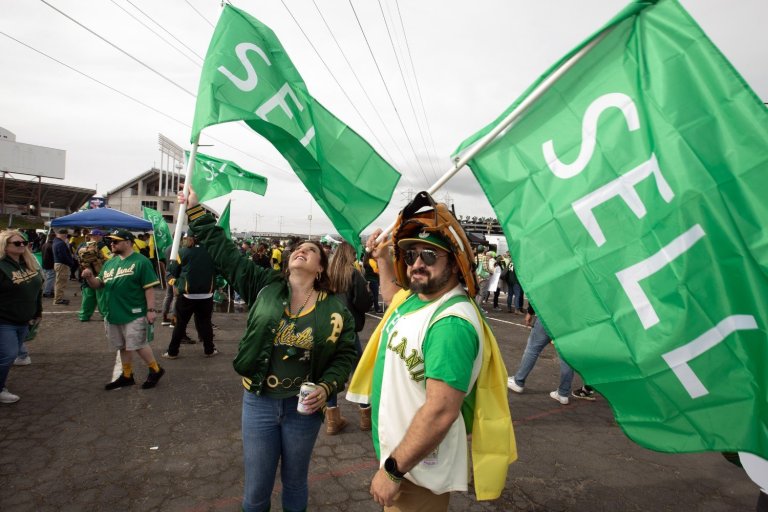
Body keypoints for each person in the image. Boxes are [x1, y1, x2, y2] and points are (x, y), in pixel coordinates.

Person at [181, 189, 357, 512]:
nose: (301, 251)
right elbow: (226, 253)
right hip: (259, 402)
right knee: (256, 490)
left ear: (320, 268)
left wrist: (326, 387)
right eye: (298, 249)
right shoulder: (262, 285)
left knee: (294, 484)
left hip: (302, 410)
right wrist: (195, 212)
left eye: (310, 250)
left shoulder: (334, 310)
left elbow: (346, 356)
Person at [348, 191, 516, 510]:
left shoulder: (450, 324)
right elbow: (392, 297)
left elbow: (441, 412)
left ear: (453, 263)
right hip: (404, 457)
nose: (417, 264)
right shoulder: (419, 298)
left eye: (428, 254)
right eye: (410, 255)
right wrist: (384, 260)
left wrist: (393, 471)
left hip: (415, 471)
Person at [81, 229, 165, 391]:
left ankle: (155, 369)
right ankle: (127, 375)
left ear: (128, 242)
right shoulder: (110, 262)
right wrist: (90, 277)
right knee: (122, 345)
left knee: (138, 343)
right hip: (113, 312)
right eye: (111, 241)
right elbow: (99, 284)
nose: (112, 244)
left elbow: (148, 288)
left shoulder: (141, 261)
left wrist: (151, 309)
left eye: (116, 241)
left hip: (134, 311)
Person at [325, 241, 373, 434]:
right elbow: (363, 302)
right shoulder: (353, 273)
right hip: (348, 329)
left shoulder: (327, 274)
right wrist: (367, 293)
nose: (355, 257)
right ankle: (365, 416)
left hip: (328, 329)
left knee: (331, 372)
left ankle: (331, 421)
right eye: (354, 254)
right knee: (359, 371)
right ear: (349, 254)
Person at [0, 230, 43, 404]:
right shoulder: (2, 266)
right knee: (9, 355)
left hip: (23, 320)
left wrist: (37, 312)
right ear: (5, 246)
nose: (22, 245)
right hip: (4, 320)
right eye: (17, 243)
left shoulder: (28, 263)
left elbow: (37, 291)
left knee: (11, 355)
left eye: (23, 242)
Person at [161, 234, 218, 359]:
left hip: (187, 295)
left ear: (190, 238)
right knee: (206, 323)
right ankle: (209, 350)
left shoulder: (182, 252)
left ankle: (172, 352)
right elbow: (218, 271)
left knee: (180, 324)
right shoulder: (212, 252)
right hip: (207, 295)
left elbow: (172, 272)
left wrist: (175, 283)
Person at [507, 307, 574, 404]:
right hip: (570, 319)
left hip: (548, 313)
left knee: (533, 348)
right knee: (567, 356)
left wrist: (530, 311)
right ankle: (563, 393)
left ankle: (518, 381)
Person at [76, 229, 111, 322]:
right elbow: (110, 258)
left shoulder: (81, 245)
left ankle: (84, 316)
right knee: (102, 297)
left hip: (86, 273)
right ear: (97, 236)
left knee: (87, 297)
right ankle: (105, 315)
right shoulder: (101, 245)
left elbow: (77, 257)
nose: (102, 237)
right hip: (100, 274)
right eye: (101, 236)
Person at [52, 228, 76, 305]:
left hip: (58, 263)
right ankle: (58, 299)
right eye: (66, 235)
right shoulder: (61, 243)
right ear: (64, 235)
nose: (66, 237)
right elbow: (64, 256)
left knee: (59, 282)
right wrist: (71, 263)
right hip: (62, 264)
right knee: (61, 283)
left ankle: (58, 298)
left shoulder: (56, 242)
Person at [40, 233, 55, 298]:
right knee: (50, 279)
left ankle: (49, 291)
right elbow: (53, 256)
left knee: (48, 278)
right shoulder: (52, 246)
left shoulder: (44, 245)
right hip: (50, 264)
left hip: (44, 264)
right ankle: (47, 292)